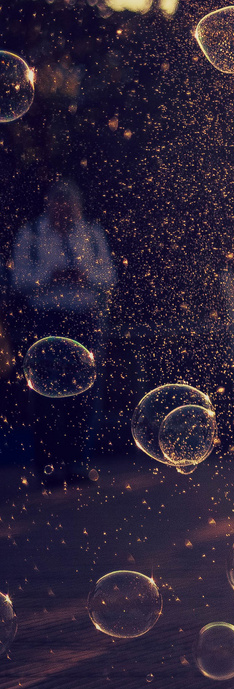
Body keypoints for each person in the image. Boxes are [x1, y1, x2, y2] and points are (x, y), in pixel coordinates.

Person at [10, 180, 116, 486]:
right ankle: (49, 465)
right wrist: (50, 276)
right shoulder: (31, 234)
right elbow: (19, 280)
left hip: (85, 318)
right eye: (59, 205)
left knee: (85, 394)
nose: (65, 211)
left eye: (70, 206)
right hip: (47, 318)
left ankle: (78, 462)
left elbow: (108, 276)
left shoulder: (92, 234)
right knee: (44, 395)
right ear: (49, 205)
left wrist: (85, 275)